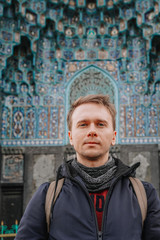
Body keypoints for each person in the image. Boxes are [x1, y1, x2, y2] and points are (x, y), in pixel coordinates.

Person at [15, 94, 160, 240]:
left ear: (114, 136)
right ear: (71, 137)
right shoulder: (48, 196)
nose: (92, 131)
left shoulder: (144, 195)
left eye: (101, 124)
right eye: (83, 124)